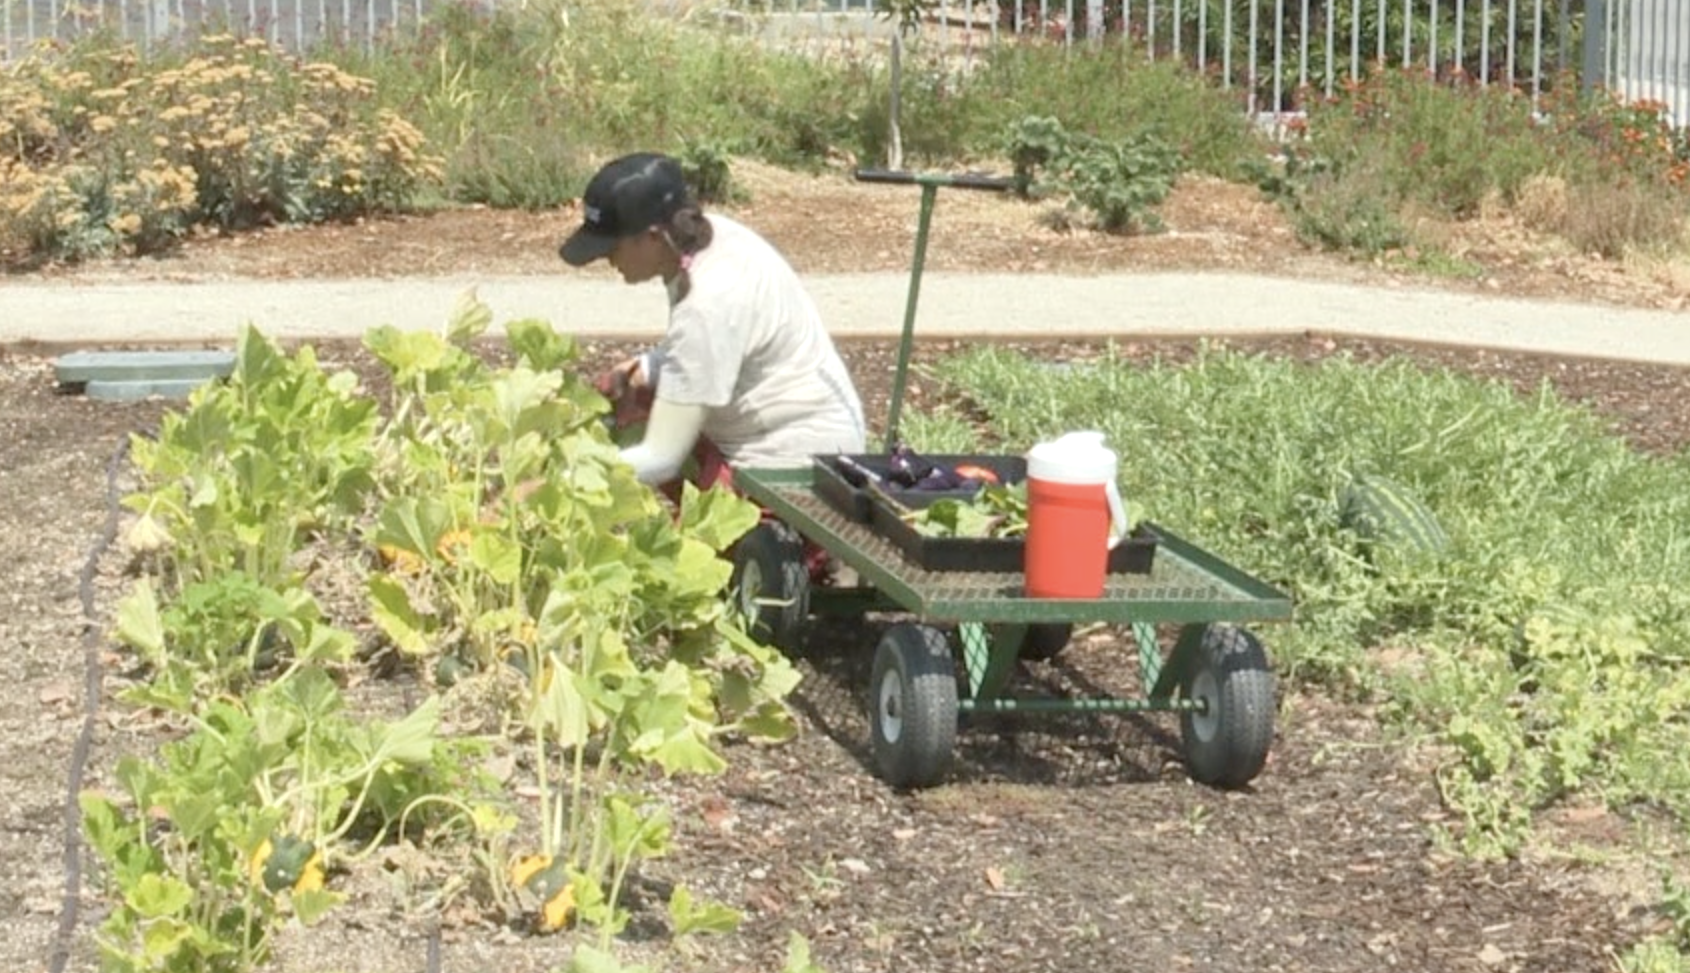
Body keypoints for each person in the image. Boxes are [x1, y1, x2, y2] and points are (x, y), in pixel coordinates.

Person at [558, 152, 867, 498]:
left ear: (653, 236)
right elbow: (714, 348)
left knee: (697, 540)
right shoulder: (707, 236)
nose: (606, 258)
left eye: (612, 247)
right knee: (641, 395)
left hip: (792, 465)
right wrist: (647, 367)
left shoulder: (708, 303)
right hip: (819, 436)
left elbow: (661, 459)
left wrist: (560, 484)